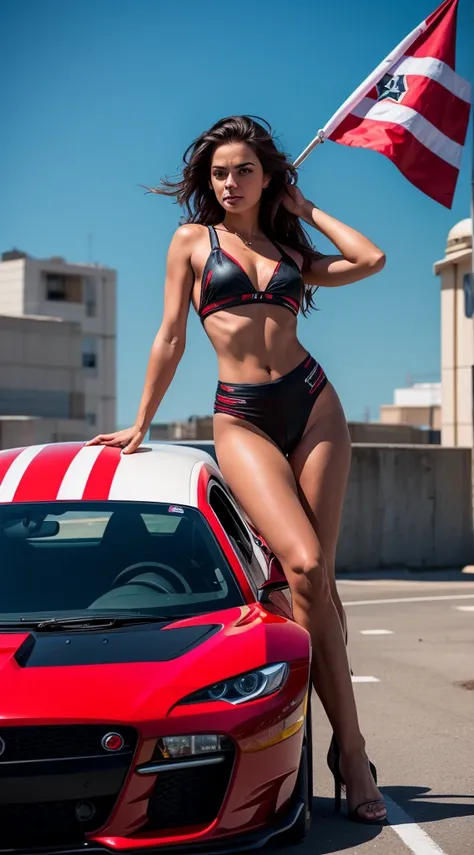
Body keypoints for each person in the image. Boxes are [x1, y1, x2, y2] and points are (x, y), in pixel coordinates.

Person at [87, 115, 387, 824]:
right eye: (220, 171)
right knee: (305, 568)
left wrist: (305, 209)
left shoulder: (289, 244)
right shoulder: (193, 242)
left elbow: (370, 259)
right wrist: (141, 420)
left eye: (244, 170)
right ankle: (353, 751)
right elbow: (170, 333)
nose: (230, 182)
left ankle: (345, 753)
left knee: (322, 580)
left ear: (266, 176)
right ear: (209, 179)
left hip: (314, 404)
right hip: (243, 415)